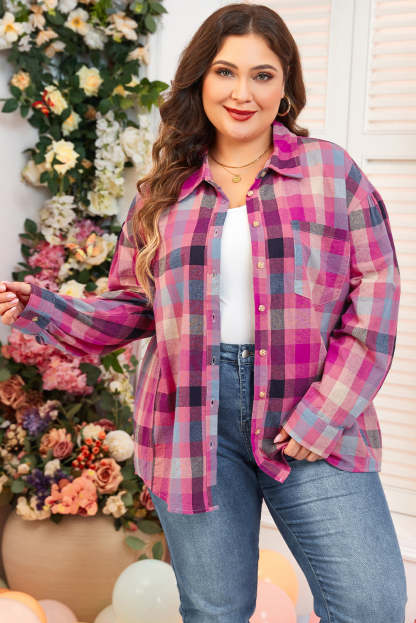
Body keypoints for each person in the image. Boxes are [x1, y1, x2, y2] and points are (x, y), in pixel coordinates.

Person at [0, 3, 408, 622]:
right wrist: (42, 306)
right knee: (215, 612)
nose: (243, 93)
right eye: (225, 72)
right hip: (190, 422)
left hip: (310, 411)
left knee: (370, 602)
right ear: (201, 80)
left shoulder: (331, 173)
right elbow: (133, 308)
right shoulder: (162, 193)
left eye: (262, 75)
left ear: (286, 86)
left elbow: (376, 291)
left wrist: (323, 414)